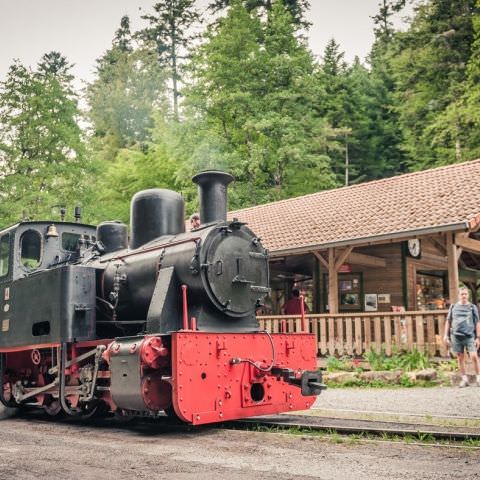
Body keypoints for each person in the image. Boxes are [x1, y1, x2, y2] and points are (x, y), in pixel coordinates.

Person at [443, 286, 480, 387]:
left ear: (468, 295)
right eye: (462, 294)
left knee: (474, 356)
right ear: (459, 295)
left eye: (465, 294)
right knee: (460, 358)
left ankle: (478, 378)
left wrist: (478, 337)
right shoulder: (453, 307)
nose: (463, 296)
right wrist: (445, 335)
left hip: (469, 336)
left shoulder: (472, 307)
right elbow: (448, 321)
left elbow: (477, 323)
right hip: (456, 336)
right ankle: (464, 379)